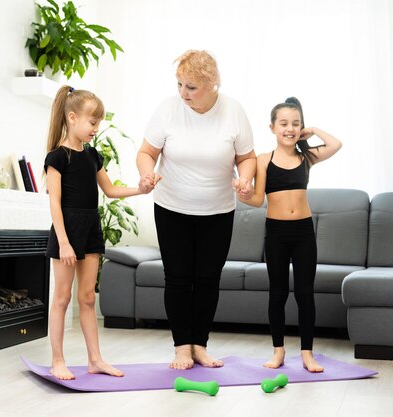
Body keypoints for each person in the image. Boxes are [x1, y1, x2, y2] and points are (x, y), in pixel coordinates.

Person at [137, 50, 257, 370]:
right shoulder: (168, 110)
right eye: (179, 84)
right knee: (177, 277)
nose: (182, 93)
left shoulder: (233, 111)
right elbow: (147, 152)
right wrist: (147, 173)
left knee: (207, 279)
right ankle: (181, 347)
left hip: (218, 210)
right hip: (171, 205)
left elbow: (247, 157)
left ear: (212, 84)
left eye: (191, 87)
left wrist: (245, 179)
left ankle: (200, 345)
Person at [44, 85, 151, 380]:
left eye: (98, 123)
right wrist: (64, 243)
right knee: (63, 297)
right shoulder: (57, 157)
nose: (96, 128)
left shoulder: (92, 155)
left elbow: (110, 189)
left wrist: (139, 189)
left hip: (90, 228)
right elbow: (54, 202)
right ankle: (57, 360)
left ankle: (95, 359)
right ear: (72, 117)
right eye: (93, 122)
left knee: (88, 298)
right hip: (67, 231)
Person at [239, 97, 342, 372]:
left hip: (303, 233)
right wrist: (244, 194)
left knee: (305, 294)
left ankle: (307, 353)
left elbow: (336, 144)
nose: (290, 128)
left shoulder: (306, 157)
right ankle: (278, 351)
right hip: (276, 233)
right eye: (283, 123)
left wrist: (313, 130)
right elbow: (258, 198)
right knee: (278, 293)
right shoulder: (263, 160)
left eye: (296, 124)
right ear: (272, 127)